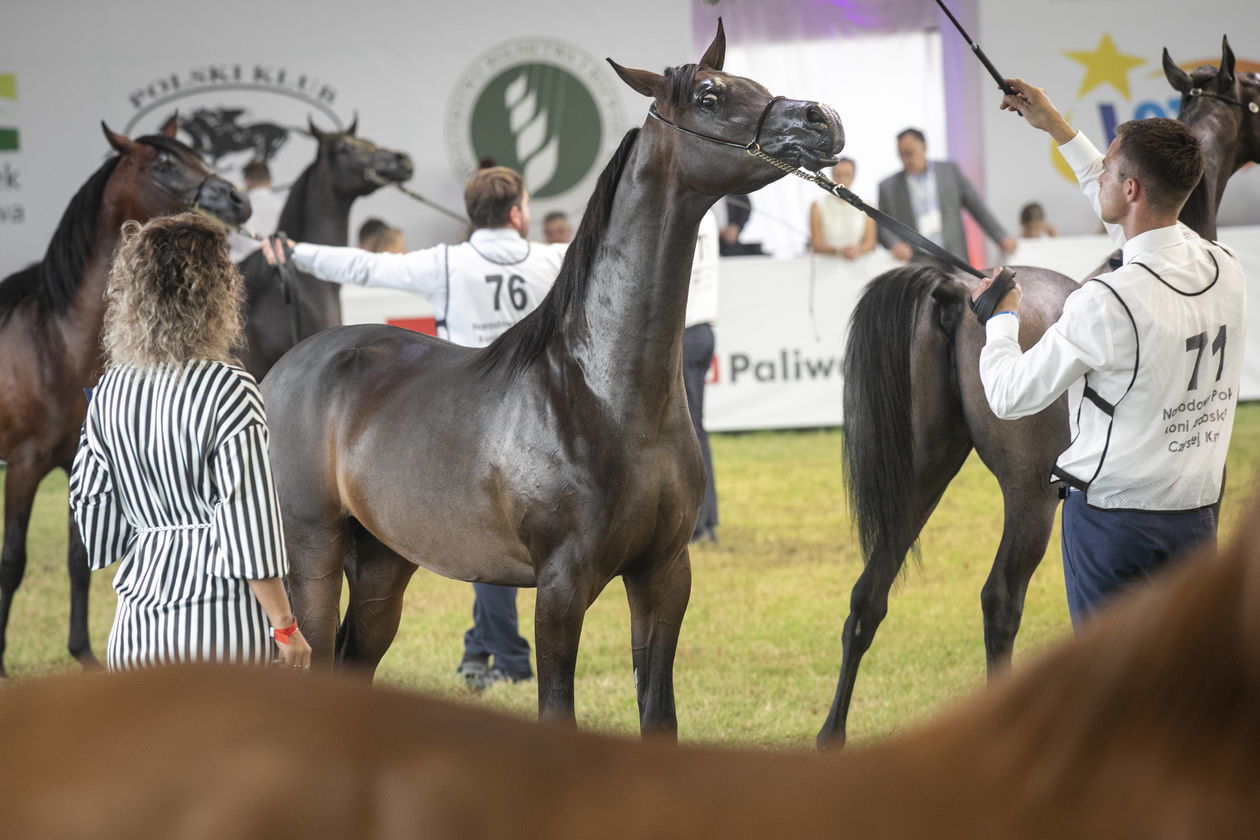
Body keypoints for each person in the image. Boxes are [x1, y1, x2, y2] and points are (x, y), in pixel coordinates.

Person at [262, 165, 564, 688]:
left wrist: (296, 251)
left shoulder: (447, 262)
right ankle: (494, 650)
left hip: (463, 411)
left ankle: (495, 651)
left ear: (475, 214)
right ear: (517, 213)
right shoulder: (552, 258)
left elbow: (363, 268)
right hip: (531, 412)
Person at [972, 79, 1246, 630]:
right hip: (1195, 521)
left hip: (1113, 529)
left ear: (1132, 191)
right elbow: (1141, 228)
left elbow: (1008, 395)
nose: (1100, 176)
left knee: (1113, 703)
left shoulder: (1106, 301)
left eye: (1110, 170)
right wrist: (1054, 125)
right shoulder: (1226, 267)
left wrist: (999, 318)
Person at [68, 212, 312, 671]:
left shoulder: (110, 390)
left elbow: (92, 508)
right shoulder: (230, 388)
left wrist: (154, 527)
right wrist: (284, 625)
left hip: (135, 624)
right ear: (217, 293)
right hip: (222, 624)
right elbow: (247, 518)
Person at [877, 128, 1016, 268]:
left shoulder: (950, 172)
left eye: (909, 153)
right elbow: (882, 225)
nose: (905, 160)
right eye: (901, 155)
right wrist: (894, 244)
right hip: (918, 260)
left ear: (924, 147)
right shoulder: (888, 187)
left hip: (954, 255)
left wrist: (1000, 237)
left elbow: (976, 205)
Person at [684, 210, 721, 543]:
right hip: (703, 328)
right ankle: (705, 517)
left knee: (689, 428)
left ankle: (701, 520)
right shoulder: (707, 214)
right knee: (696, 425)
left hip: (685, 329)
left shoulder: (687, 210)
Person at [809, 157, 876, 258]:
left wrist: (856, 251)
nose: (842, 179)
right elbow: (817, 244)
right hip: (827, 265)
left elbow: (870, 243)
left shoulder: (865, 205)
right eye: (838, 174)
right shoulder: (818, 205)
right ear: (832, 175)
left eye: (847, 174)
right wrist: (840, 251)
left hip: (858, 263)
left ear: (853, 176)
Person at [229, 160, 285, 263]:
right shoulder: (282, 206)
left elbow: (238, 242)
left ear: (246, 180)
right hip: (277, 267)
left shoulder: (239, 206)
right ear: (269, 180)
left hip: (245, 267)